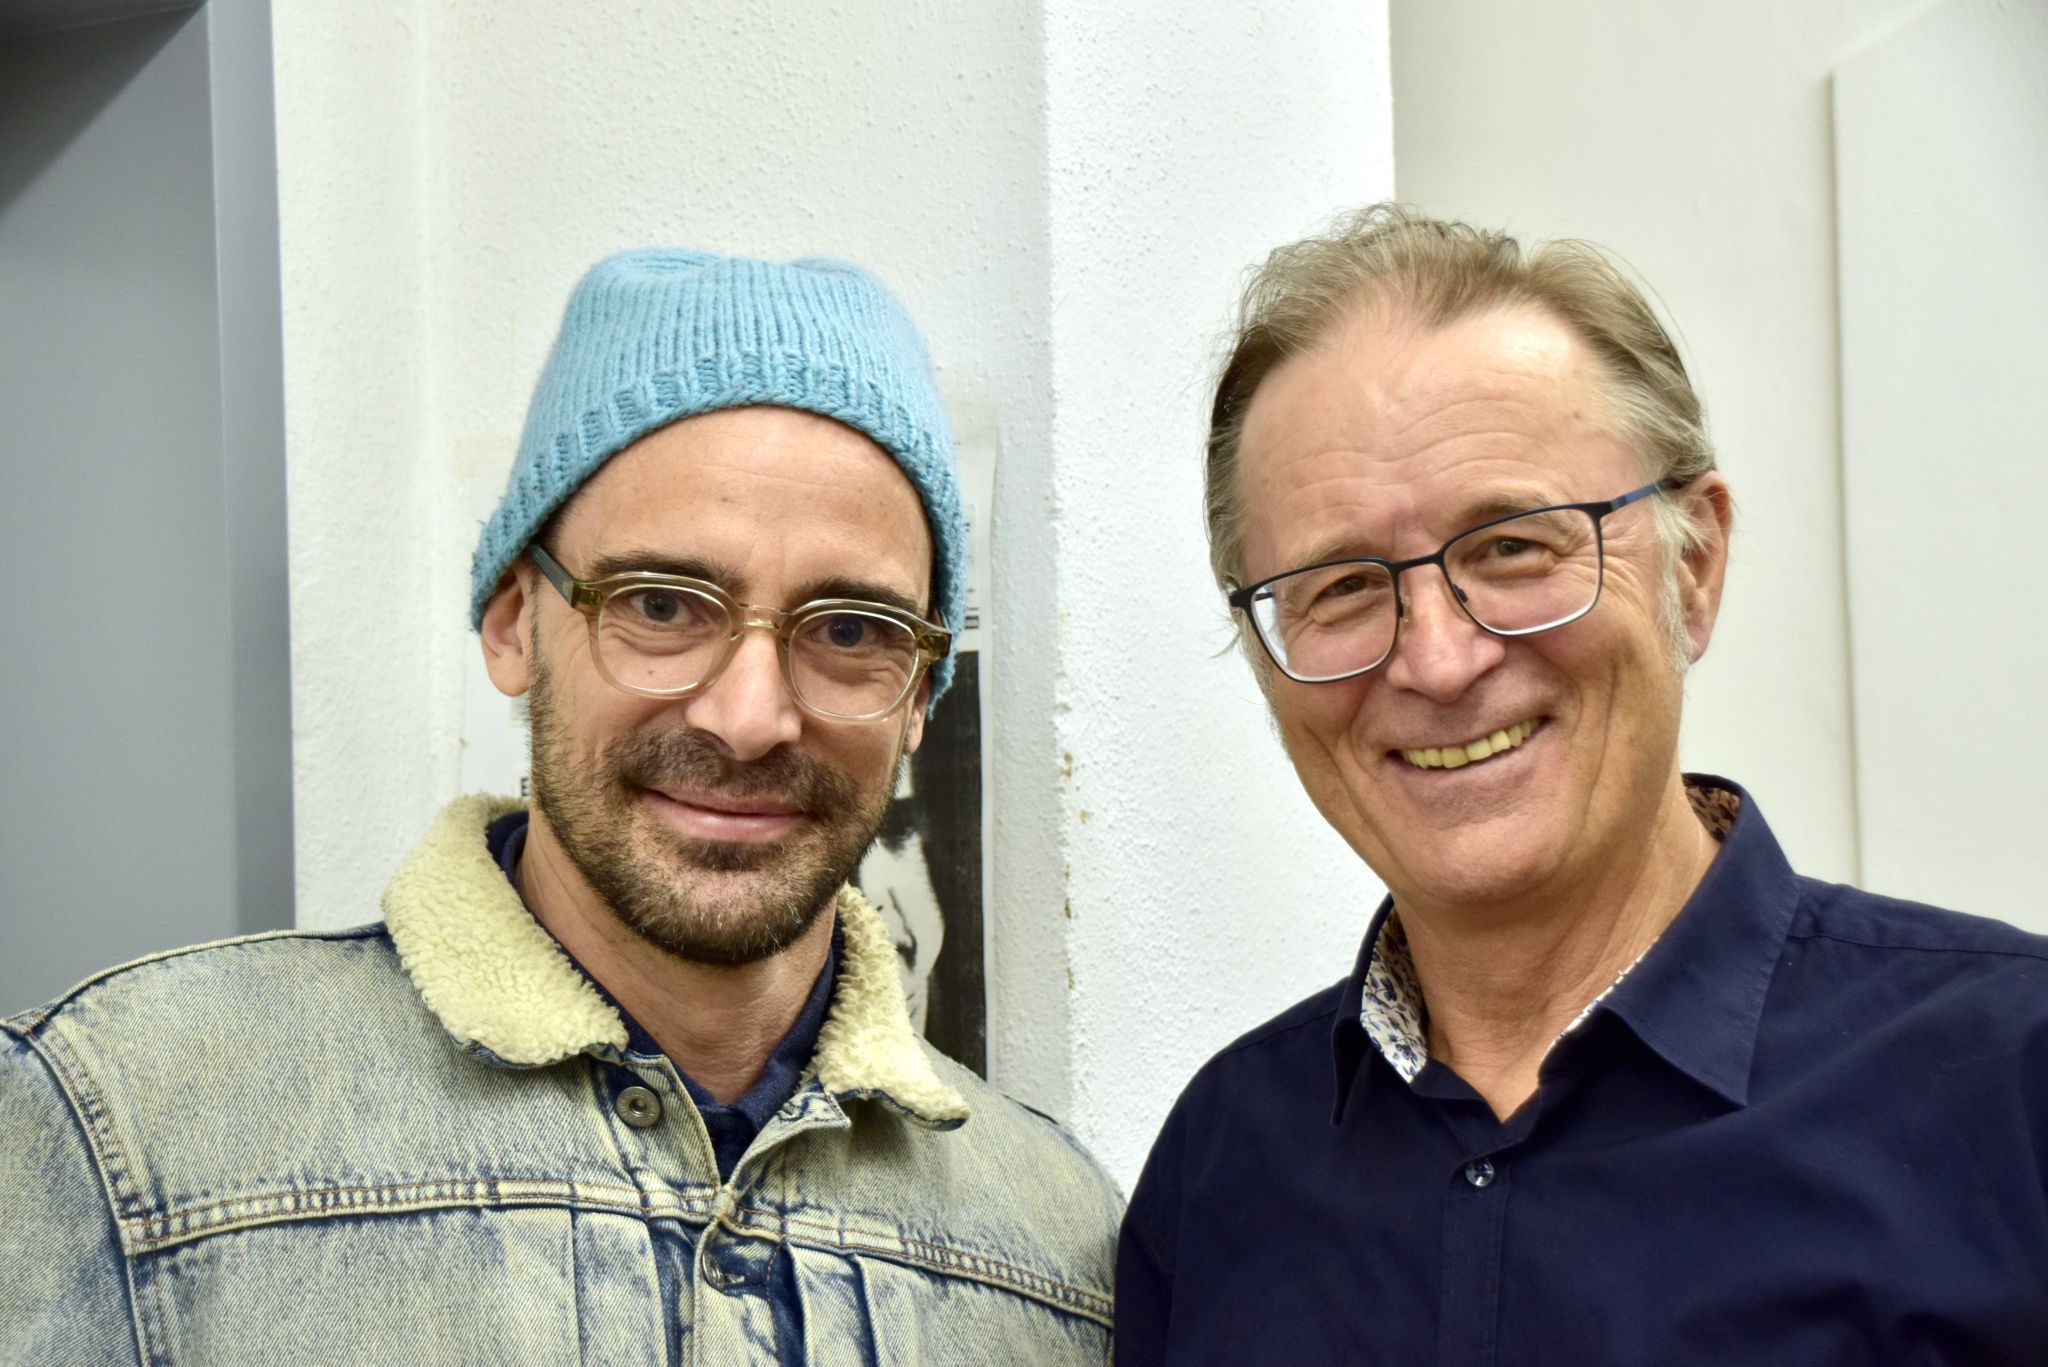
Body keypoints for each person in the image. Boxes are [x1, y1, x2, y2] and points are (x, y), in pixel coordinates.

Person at [2, 250, 1120, 1364]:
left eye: (849, 629)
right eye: (661, 604)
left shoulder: (1060, 1246)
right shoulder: (124, 1132)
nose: (748, 716)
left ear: (921, 688)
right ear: (509, 620)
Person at [1115, 205, 2048, 1364]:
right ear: (1265, 655)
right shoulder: (1220, 1168)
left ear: (1692, 566)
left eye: (1510, 546)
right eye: (1343, 585)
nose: (1438, 659)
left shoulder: (2009, 1079)